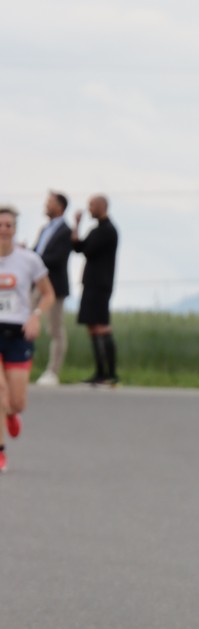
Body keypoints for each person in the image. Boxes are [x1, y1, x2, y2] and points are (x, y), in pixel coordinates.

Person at [0, 205, 56, 472]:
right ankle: (1, 452)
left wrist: (35, 316)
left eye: (8, 225)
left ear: (15, 229)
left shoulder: (28, 260)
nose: (3, 229)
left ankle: (12, 414)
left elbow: (48, 294)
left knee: (16, 401)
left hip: (18, 334)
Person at [72, 195, 119, 385]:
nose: (89, 209)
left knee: (101, 326)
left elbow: (87, 249)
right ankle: (100, 372)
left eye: (91, 205)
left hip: (100, 285)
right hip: (91, 284)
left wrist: (81, 239)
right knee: (92, 327)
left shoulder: (108, 230)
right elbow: (77, 246)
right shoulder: (96, 229)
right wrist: (77, 224)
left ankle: (110, 374)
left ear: (102, 206)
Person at [33, 192, 72, 386]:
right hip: (36, 284)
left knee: (55, 328)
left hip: (55, 286)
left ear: (60, 206)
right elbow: (36, 251)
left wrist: (32, 259)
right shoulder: (44, 229)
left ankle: (52, 372)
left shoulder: (66, 231)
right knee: (21, 320)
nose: (46, 205)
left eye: (50, 203)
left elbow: (56, 258)